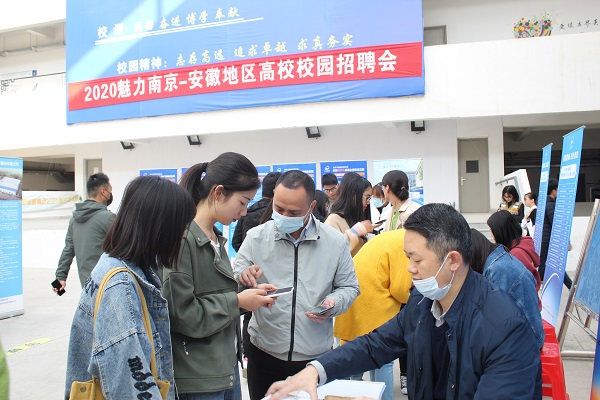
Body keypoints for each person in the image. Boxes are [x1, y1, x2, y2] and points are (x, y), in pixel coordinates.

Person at [265, 203, 541, 400]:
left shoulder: (505, 328)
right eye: (407, 257)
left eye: (416, 259)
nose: (409, 268)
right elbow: (376, 344)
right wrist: (316, 370)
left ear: (453, 260)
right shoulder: (423, 303)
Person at [65, 175, 197, 399]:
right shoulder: (121, 286)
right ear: (160, 227)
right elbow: (131, 385)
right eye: (181, 226)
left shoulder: (114, 264)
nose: (183, 234)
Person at [233, 170, 360, 400]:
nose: (284, 216)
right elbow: (232, 282)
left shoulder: (334, 242)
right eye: (279, 209)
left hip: (315, 359)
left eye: (293, 212)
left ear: (311, 207)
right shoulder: (256, 237)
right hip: (264, 354)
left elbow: (349, 287)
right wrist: (244, 277)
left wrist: (334, 303)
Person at [162, 153, 276, 400]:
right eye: (242, 202)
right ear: (219, 192)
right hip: (198, 378)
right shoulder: (182, 241)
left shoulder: (215, 239)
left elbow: (211, 293)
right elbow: (183, 314)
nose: (244, 213)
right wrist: (237, 301)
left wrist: (244, 288)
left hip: (225, 368)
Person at [333, 229, 413, 400]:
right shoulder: (407, 243)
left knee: (363, 353)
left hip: (356, 293)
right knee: (384, 358)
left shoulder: (394, 236)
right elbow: (400, 289)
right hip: (374, 299)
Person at [470, 229, 544, 349]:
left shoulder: (496, 270)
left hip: (529, 343)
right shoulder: (499, 257)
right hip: (531, 333)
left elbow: (491, 321)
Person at [53, 172, 115, 292]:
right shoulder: (108, 218)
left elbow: (68, 250)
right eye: (110, 190)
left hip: (87, 286)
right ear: (103, 191)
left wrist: (60, 277)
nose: (111, 194)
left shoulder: (74, 219)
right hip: (109, 284)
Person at [487, 210, 542, 300]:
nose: (491, 235)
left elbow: (525, 286)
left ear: (501, 232)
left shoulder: (516, 254)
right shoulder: (518, 247)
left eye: (492, 231)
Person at [325, 172, 381, 256]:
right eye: (367, 197)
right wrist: (356, 231)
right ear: (354, 196)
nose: (368, 202)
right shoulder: (334, 220)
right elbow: (332, 252)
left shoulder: (356, 218)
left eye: (369, 198)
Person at [232, 171, 281, 252]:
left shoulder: (247, 211)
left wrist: (247, 256)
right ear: (277, 191)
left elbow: (236, 242)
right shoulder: (278, 214)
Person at [539, 179, 573, 289]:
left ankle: (571, 286)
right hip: (549, 240)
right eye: (558, 189)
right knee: (550, 266)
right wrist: (566, 241)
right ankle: (571, 286)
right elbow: (556, 225)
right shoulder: (550, 204)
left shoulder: (544, 203)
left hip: (545, 239)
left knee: (551, 266)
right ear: (553, 191)